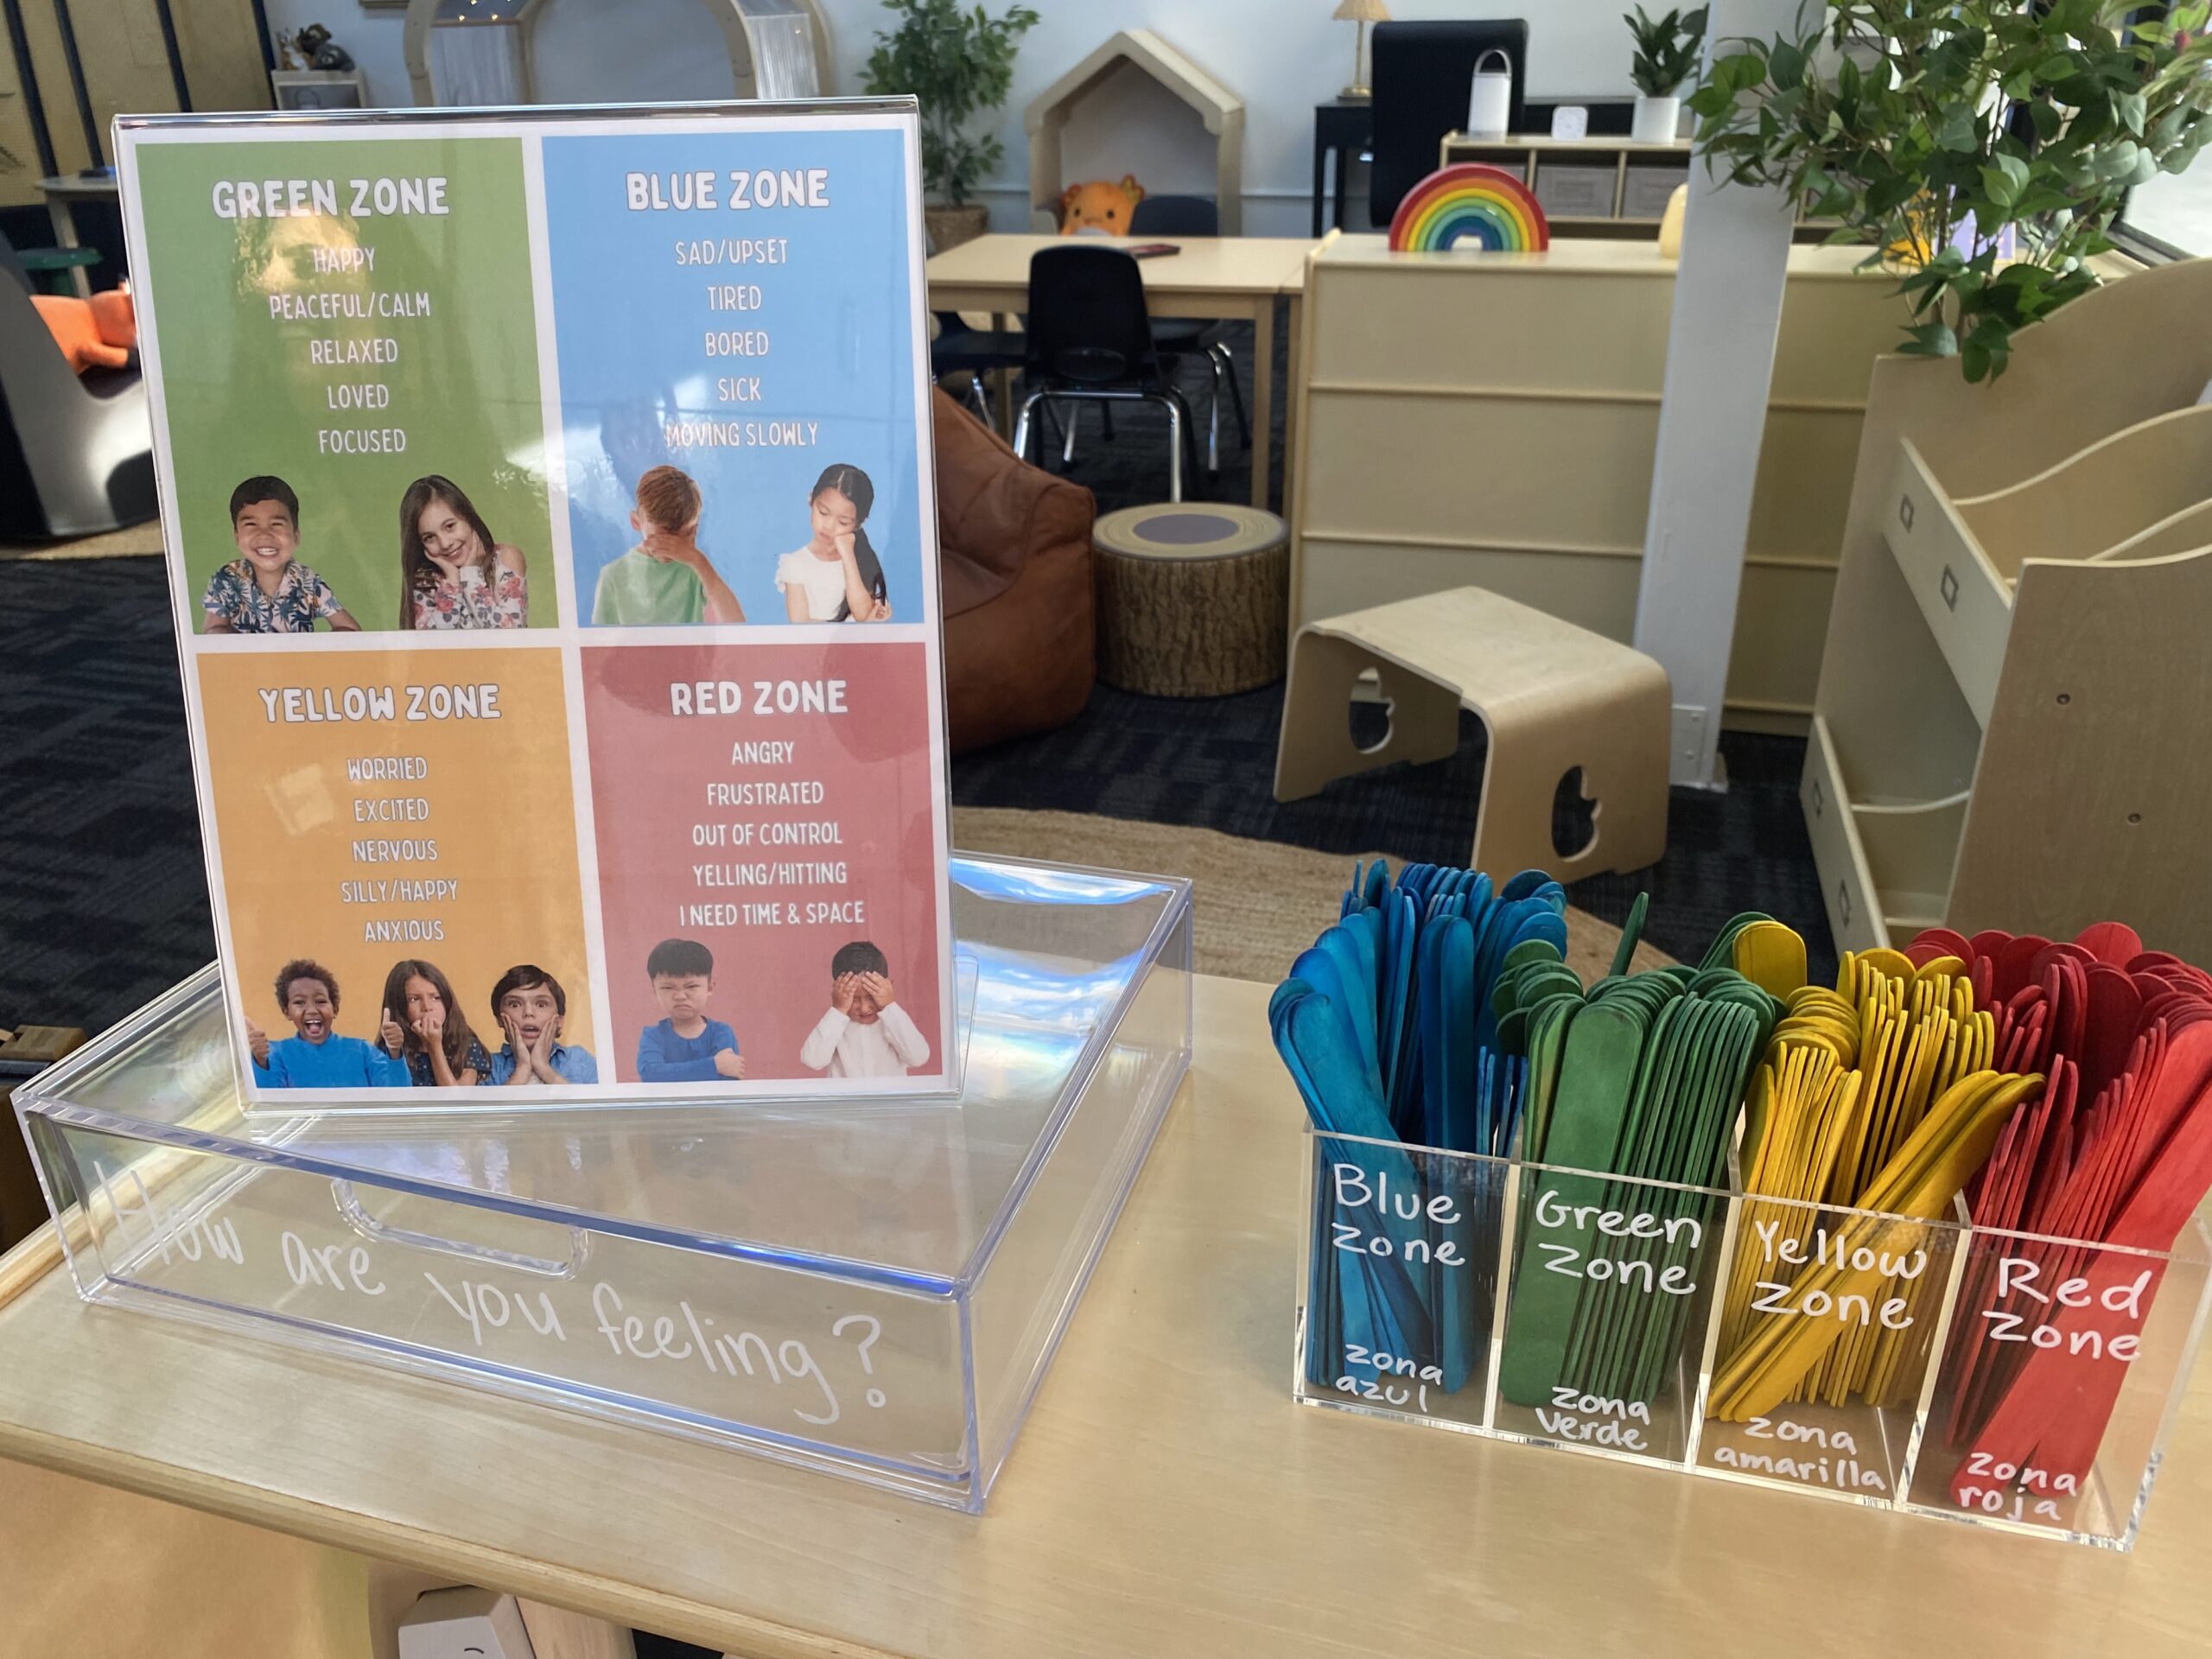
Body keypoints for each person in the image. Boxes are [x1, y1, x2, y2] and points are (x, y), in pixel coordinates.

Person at [202, 476, 363, 633]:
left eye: (277, 524)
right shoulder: (227, 579)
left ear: (296, 536)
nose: (264, 534)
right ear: (237, 536)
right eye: (251, 524)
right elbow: (212, 630)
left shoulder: (308, 581)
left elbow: (351, 629)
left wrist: (316, 648)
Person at [591, 464, 745, 626]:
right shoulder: (612, 575)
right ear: (636, 522)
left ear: (695, 529)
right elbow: (602, 638)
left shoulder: (695, 569)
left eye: (683, 535)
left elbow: (736, 623)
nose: (673, 548)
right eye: (662, 538)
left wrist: (698, 560)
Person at [248, 959, 409, 1088]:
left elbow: (397, 1096)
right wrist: (260, 1062)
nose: (312, 1010)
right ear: (286, 1011)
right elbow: (268, 1104)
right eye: (299, 1002)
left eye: (320, 1001)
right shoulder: (276, 1053)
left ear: (335, 1009)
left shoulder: (362, 1051)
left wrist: (394, 1052)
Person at [398, 474, 529, 629]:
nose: (445, 543)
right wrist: (452, 584)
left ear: (468, 517)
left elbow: (511, 636)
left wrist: (470, 575)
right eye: (430, 537)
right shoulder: (424, 581)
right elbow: (432, 643)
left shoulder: (506, 559)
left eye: (450, 526)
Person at [776, 463, 892, 623]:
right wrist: (855, 630)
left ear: (858, 524)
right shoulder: (795, 563)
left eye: (843, 522)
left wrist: (847, 553)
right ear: (811, 498)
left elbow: (862, 615)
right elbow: (800, 624)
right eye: (823, 512)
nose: (829, 526)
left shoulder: (862, 561)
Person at [798, 940, 931, 1077]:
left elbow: (919, 1057)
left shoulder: (894, 1022)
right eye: (854, 999)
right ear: (838, 992)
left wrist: (889, 1006)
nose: (864, 1008)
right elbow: (812, 1060)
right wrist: (838, 1010)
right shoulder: (836, 1026)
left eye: (871, 997)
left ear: (888, 988)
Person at [636, 938, 745, 1083]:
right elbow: (650, 1074)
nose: (680, 996)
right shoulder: (653, 1035)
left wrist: (670, 1073)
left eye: (691, 986)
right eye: (668, 987)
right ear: (655, 991)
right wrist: (714, 1066)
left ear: (710, 988)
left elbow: (728, 1075)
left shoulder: (721, 1032)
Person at [377, 958, 492, 1087]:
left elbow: (456, 1097)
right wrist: (394, 1052)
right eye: (414, 999)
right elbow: (393, 1095)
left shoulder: (466, 1043)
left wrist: (434, 1046)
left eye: (436, 998)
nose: (427, 1007)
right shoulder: (385, 1050)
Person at [486, 963, 599, 1085]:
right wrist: (522, 1068)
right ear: (499, 1019)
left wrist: (543, 1068)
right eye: (515, 1005)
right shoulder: (487, 1066)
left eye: (541, 1005)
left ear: (560, 1020)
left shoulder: (580, 1060)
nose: (528, 1012)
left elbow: (600, 1098)